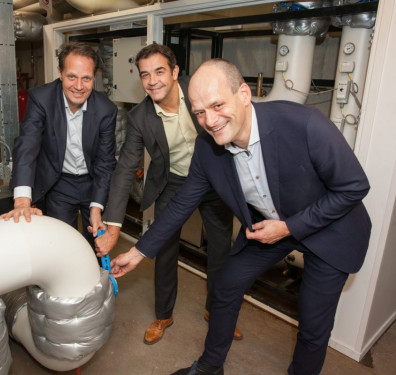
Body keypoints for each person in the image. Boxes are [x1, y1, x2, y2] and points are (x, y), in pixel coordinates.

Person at [111, 58, 371, 375]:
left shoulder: (304, 124)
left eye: (218, 104)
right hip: (267, 227)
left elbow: (354, 187)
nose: (210, 120)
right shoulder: (208, 149)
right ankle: (210, 367)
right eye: (199, 112)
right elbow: (181, 204)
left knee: (313, 325)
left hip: (330, 229)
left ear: (244, 94)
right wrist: (138, 252)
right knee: (225, 286)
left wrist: (289, 227)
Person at [94, 43, 240, 345]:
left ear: (175, 72)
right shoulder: (139, 117)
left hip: (214, 181)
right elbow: (124, 170)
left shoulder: (198, 91)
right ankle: (163, 314)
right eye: (145, 74)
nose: (152, 80)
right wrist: (113, 224)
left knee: (220, 249)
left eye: (160, 71)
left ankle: (217, 311)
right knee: (163, 249)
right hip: (172, 183)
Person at [0, 42, 117, 249]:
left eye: (86, 78)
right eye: (72, 76)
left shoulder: (106, 110)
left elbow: (105, 162)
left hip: (94, 183)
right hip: (60, 184)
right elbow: (27, 146)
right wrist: (22, 201)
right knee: (63, 244)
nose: (79, 86)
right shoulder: (41, 99)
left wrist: (97, 206)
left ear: (94, 77)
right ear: (60, 72)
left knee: (95, 247)